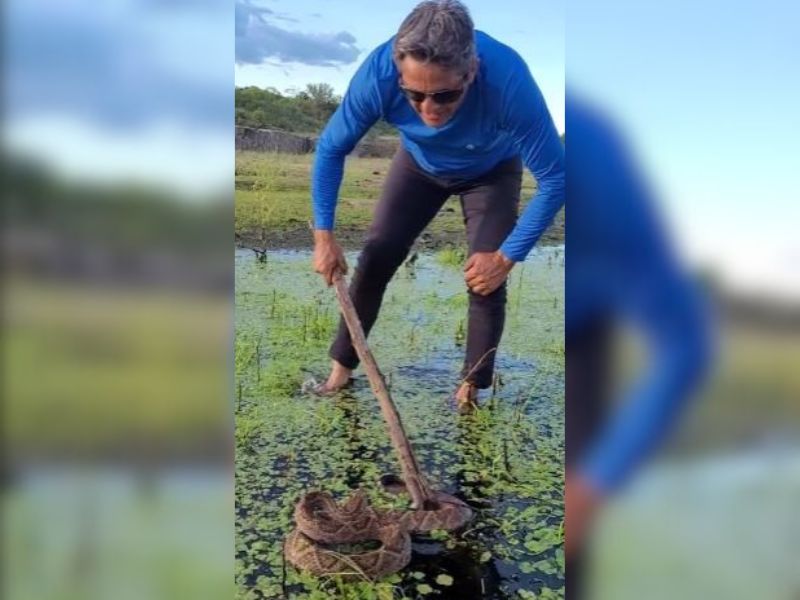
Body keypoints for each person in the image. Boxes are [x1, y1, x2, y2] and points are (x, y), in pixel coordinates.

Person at [310, 0, 565, 413]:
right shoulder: (377, 74)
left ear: (471, 71)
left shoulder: (509, 82)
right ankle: (341, 370)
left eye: (445, 95)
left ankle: (470, 392)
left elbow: (556, 179)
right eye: (414, 94)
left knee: (484, 279)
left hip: (491, 171)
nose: (430, 111)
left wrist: (505, 258)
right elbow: (330, 148)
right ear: (398, 73)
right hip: (418, 166)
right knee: (376, 255)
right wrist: (324, 235)